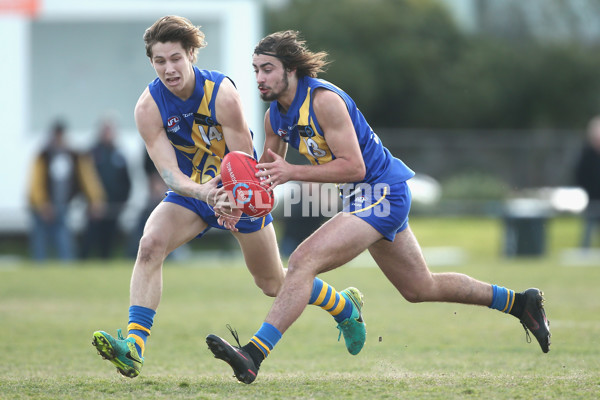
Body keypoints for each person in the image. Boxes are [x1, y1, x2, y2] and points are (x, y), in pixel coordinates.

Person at [206, 30, 551, 384]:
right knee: (419, 288)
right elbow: (263, 176)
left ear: (291, 69)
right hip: (361, 198)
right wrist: (236, 201)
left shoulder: (324, 101)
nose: (260, 78)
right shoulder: (274, 117)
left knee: (302, 261)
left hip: (384, 191)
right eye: (256, 70)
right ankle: (519, 303)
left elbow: (354, 167)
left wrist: (292, 171)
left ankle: (252, 355)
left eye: (267, 69)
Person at [91, 16, 366, 379]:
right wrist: (202, 192)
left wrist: (231, 195)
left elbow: (241, 158)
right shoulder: (148, 107)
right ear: (152, 62)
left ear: (191, 54)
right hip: (195, 192)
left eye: (175, 58)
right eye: (160, 61)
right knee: (150, 244)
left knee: (272, 284)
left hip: (239, 188)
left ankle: (343, 306)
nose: (169, 69)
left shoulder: (221, 93)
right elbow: (169, 172)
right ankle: (134, 349)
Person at [28, 120, 106, 262]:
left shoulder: (74, 156)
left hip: (62, 205)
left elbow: (88, 178)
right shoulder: (43, 155)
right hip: (42, 207)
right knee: (40, 242)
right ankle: (39, 267)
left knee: (64, 240)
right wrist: (42, 204)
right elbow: (36, 182)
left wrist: (96, 199)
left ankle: (67, 266)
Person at [80, 117, 131, 259]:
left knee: (108, 243)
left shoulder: (119, 154)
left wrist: (122, 202)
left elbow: (126, 181)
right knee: (89, 242)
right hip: (94, 206)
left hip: (113, 206)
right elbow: (85, 179)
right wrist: (91, 201)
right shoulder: (91, 152)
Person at [574, 115, 600, 249]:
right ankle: (585, 250)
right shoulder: (587, 154)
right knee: (589, 226)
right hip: (592, 198)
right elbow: (580, 175)